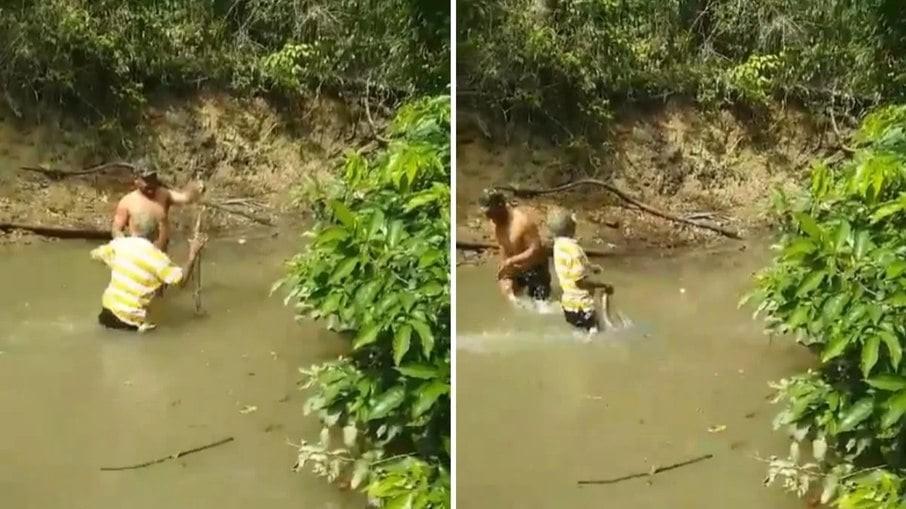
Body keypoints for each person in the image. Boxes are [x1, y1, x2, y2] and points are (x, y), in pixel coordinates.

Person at [92, 211, 206, 332]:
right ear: (156, 234)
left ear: (132, 229)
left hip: (107, 312)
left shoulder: (120, 245)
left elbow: (95, 255)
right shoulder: (158, 260)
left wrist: (116, 264)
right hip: (130, 320)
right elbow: (181, 280)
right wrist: (192, 254)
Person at [548, 207, 615, 334]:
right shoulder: (574, 250)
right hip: (583, 307)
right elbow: (580, 282)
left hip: (568, 306)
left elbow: (570, 267)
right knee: (596, 338)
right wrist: (603, 285)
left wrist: (589, 267)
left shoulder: (558, 246)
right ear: (572, 228)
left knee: (580, 336)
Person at [479, 188, 551, 306]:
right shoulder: (494, 222)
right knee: (512, 299)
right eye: (487, 214)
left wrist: (511, 261)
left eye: (491, 213)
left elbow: (535, 249)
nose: (489, 217)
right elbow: (503, 245)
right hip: (516, 270)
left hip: (536, 269)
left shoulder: (522, 222)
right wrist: (505, 272)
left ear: (500, 206)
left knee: (542, 307)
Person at [112, 169, 204, 252]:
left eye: (153, 179)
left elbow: (186, 198)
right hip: (138, 256)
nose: (150, 183)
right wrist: (124, 245)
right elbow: (116, 229)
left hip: (161, 256)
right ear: (136, 180)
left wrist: (196, 188)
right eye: (146, 180)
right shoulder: (127, 202)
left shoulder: (164, 194)